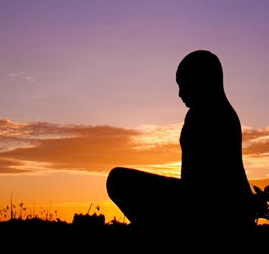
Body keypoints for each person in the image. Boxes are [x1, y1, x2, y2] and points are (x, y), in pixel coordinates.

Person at [106, 50, 253, 229]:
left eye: (184, 84)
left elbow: (196, 188)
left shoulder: (205, 115)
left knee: (118, 179)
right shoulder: (223, 113)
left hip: (217, 209)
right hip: (231, 207)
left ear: (202, 80)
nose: (180, 93)